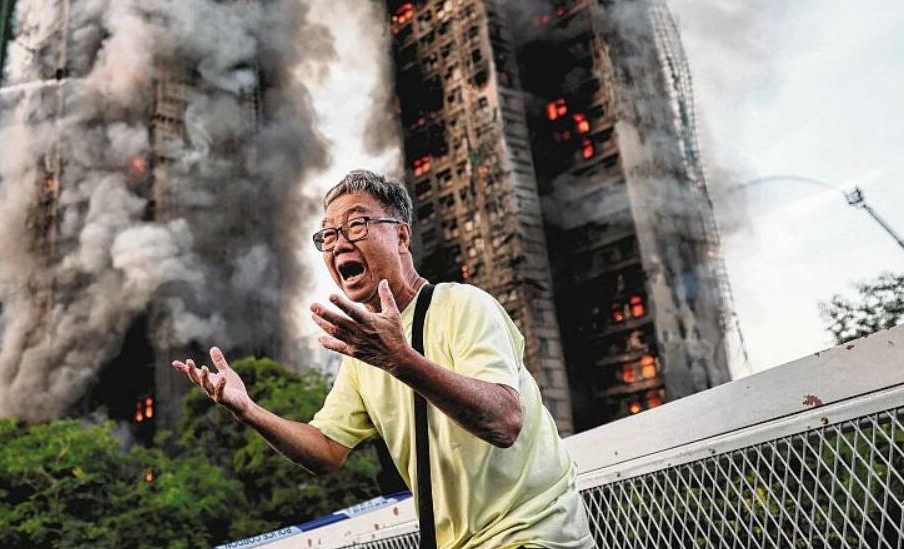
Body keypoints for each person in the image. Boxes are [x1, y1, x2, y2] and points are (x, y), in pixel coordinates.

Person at [172, 169, 595, 548]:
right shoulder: (364, 354)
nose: (340, 243)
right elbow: (325, 450)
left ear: (402, 236)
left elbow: (504, 422)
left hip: (532, 535)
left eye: (357, 224)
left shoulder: (463, 305)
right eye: (329, 235)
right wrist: (248, 411)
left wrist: (399, 360)